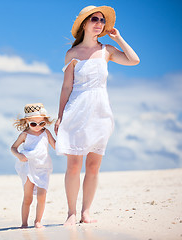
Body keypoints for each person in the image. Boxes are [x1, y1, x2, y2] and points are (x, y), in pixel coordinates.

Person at [54, 6, 140, 226]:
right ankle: (71, 213)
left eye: (102, 20)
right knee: (74, 165)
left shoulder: (107, 51)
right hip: (76, 110)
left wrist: (119, 38)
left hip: (101, 112)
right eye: (94, 19)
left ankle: (86, 212)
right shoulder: (72, 54)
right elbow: (66, 88)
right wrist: (60, 116)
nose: (99, 23)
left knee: (93, 167)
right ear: (84, 23)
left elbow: (134, 60)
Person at [11, 103, 56, 228]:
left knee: (42, 196)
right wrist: (19, 155)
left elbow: (55, 146)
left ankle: (38, 221)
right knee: (28, 198)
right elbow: (13, 148)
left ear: (45, 122)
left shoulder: (46, 132)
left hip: (43, 167)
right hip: (28, 166)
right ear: (27, 122)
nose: (37, 127)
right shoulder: (25, 134)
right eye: (33, 124)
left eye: (41, 123)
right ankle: (24, 223)